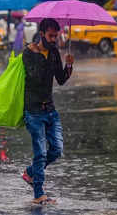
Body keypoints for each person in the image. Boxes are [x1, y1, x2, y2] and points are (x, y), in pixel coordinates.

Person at [21, 18, 74, 205]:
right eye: (51, 36)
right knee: (40, 153)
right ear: (42, 33)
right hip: (33, 111)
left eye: (56, 36)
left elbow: (60, 79)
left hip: (50, 110)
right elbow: (35, 78)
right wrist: (42, 55)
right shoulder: (28, 53)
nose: (54, 39)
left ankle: (30, 173)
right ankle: (38, 195)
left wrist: (68, 66)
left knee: (57, 150)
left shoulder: (53, 52)